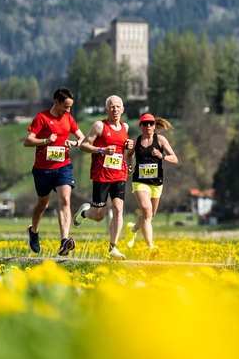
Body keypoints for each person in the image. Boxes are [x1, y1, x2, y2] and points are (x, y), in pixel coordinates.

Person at [24, 87, 85, 257]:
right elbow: (27, 141)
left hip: (63, 166)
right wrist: (45, 141)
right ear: (56, 102)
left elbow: (82, 138)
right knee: (42, 204)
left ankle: (64, 240)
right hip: (43, 169)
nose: (68, 110)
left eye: (70, 107)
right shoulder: (42, 118)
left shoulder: (68, 118)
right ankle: (34, 232)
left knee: (65, 199)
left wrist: (73, 143)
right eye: (66, 106)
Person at [74, 95, 134, 260]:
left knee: (118, 209)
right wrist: (102, 150)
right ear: (106, 110)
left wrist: (130, 152)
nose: (115, 109)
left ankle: (112, 248)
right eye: (111, 107)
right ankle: (84, 213)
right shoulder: (99, 126)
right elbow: (84, 146)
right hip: (102, 176)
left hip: (119, 175)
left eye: (117, 107)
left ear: (122, 110)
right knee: (99, 216)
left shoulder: (125, 127)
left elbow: (127, 154)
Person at [123, 113, 178, 257]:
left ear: (154, 126)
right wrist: (129, 166)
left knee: (150, 215)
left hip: (156, 182)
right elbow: (129, 154)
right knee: (147, 212)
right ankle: (150, 247)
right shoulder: (135, 141)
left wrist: (162, 156)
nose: (148, 126)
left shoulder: (160, 140)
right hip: (140, 182)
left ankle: (133, 229)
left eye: (151, 124)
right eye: (145, 124)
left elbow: (175, 158)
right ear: (140, 126)